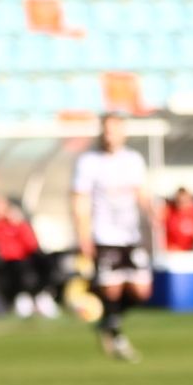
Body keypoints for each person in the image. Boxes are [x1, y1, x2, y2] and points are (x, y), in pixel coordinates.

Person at [72, 113, 154, 362]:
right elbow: (80, 200)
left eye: (115, 129)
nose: (110, 135)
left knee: (142, 291)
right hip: (104, 234)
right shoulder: (89, 162)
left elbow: (141, 192)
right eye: (106, 130)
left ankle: (106, 320)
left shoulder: (133, 160)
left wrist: (152, 212)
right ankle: (116, 336)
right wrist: (83, 236)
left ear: (123, 132)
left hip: (130, 234)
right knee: (112, 288)